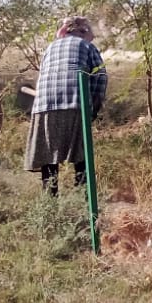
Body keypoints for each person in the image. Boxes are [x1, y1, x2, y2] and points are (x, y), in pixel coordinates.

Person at [24, 16, 106, 196]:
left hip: (43, 106)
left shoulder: (50, 48)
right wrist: (93, 108)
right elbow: (100, 77)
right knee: (81, 154)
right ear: (81, 32)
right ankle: (82, 199)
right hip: (76, 102)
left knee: (48, 154)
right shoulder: (87, 46)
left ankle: (49, 201)